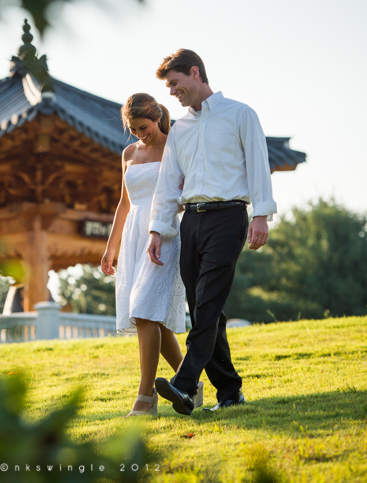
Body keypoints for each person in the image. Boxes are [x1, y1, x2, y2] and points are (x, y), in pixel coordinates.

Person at [147, 50, 276, 415]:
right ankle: (230, 392)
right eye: (168, 86)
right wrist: (158, 229)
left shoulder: (240, 114)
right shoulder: (181, 130)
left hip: (229, 218)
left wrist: (261, 214)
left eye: (174, 83)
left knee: (206, 305)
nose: (171, 91)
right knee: (205, 309)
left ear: (195, 73)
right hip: (192, 221)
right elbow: (167, 183)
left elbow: (259, 164)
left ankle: (183, 385)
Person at [101, 93, 197, 417]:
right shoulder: (128, 153)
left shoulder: (175, 146)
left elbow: (184, 195)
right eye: (135, 130)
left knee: (144, 310)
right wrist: (110, 247)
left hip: (166, 232)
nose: (141, 135)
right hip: (132, 236)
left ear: (157, 117)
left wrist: (163, 219)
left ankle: (146, 398)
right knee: (151, 316)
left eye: (145, 127)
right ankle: (190, 382)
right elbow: (124, 203)